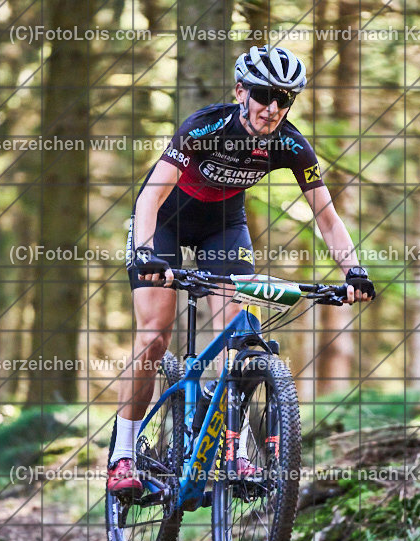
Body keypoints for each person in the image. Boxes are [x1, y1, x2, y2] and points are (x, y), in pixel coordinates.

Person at [108, 45, 375, 497]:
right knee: (154, 336)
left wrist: (354, 272)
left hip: (223, 227)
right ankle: (123, 454)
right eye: (263, 94)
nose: (272, 108)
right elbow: (151, 197)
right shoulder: (206, 126)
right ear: (240, 91)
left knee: (240, 335)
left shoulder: (290, 144)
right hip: (165, 222)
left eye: (284, 99)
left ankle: (240, 449)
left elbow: (326, 216)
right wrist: (145, 253)